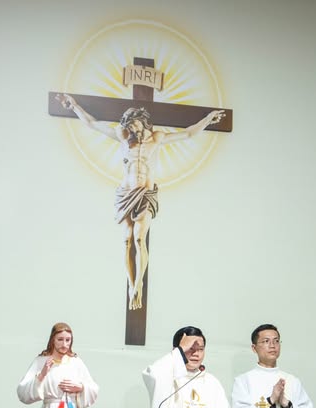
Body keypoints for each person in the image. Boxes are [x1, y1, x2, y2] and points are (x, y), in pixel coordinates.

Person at [57, 94, 225, 310]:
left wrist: (208, 119)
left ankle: (139, 283)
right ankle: (131, 284)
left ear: (143, 122)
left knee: (139, 238)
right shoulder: (123, 135)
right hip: (126, 194)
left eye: (134, 126)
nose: (132, 131)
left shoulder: (157, 137)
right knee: (126, 241)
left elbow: (189, 133)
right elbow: (92, 123)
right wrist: (74, 106)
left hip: (145, 194)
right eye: (129, 127)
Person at [142, 326, 233, 408]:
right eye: (190, 348)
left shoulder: (212, 382)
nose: (196, 353)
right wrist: (180, 350)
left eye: (201, 349)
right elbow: (153, 374)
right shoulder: (167, 376)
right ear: (176, 350)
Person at [232, 324, 316, 408]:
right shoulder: (243, 381)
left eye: (276, 341)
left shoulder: (293, 381)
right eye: (266, 341)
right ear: (254, 348)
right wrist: (271, 400)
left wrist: (287, 405)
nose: (272, 345)